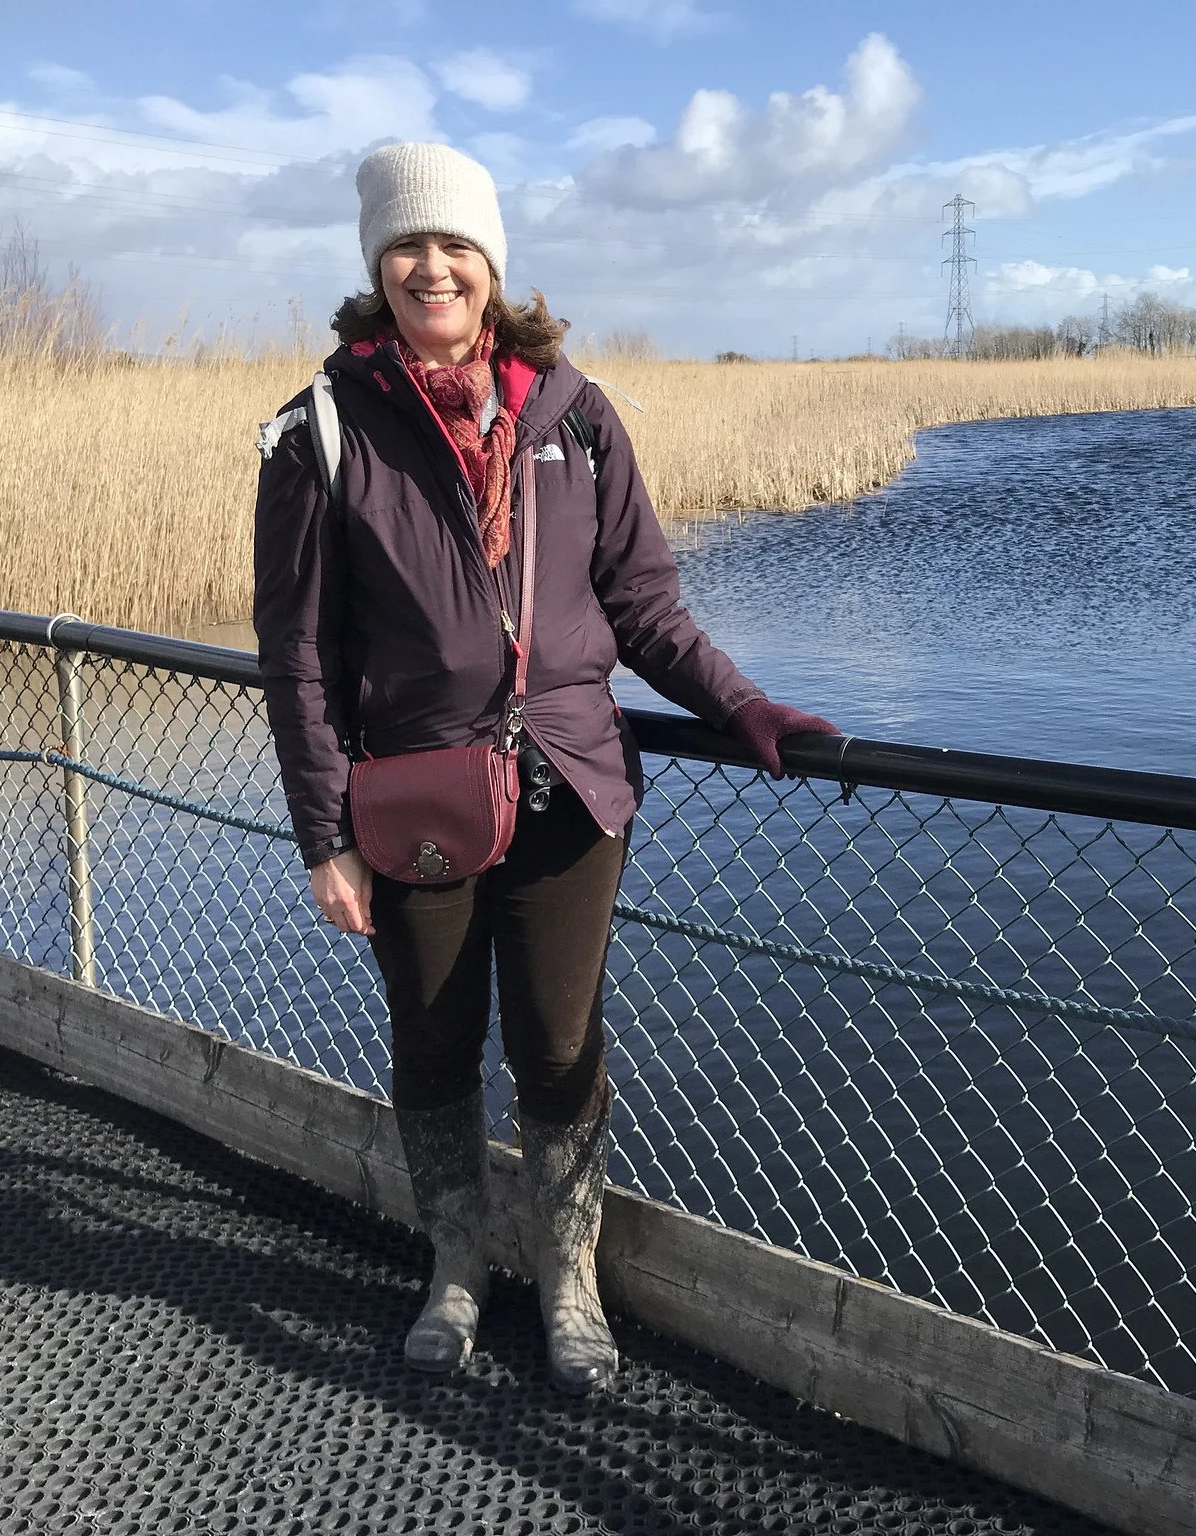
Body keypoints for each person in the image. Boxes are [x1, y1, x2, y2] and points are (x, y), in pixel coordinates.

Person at [253, 142, 838, 1393]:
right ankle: (457, 1271)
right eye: (407, 247)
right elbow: (297, 655)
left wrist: (742, 706)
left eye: (455, 244)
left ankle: (569, 1281)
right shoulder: (323, 429)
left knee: (560, 1048)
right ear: (376, 268)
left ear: (491, 262)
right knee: (432, 1042)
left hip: (571, 787)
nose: (432, 267)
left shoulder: (574, 413)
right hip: (413, 796)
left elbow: (645, 605)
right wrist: (323, 835)